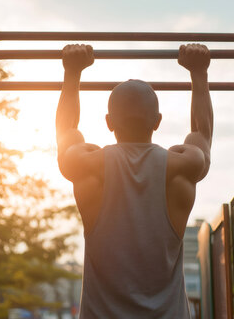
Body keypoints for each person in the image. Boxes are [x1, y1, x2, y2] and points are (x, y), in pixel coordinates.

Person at [56, 43, 213, 318]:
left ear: (109, 122)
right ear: (157, 121)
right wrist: (198, 73)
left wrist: (72, 72)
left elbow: (66, 130)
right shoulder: (181, 166)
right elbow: (202, 132)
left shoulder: (88, 165)